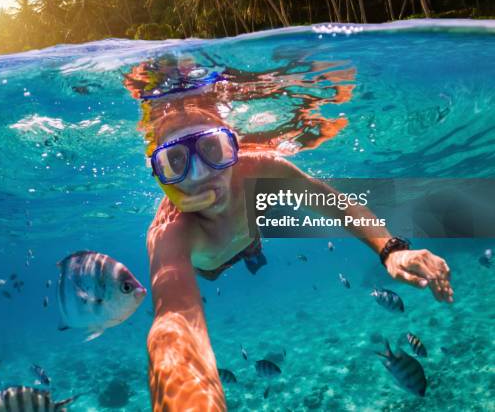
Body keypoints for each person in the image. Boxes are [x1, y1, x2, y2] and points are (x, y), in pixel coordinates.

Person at [145, 104, 454, 411]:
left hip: (247, 237)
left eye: (212, 148)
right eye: (176, 161)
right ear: (161, 175)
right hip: (209, 266)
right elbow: (176, 320)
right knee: (214, 271)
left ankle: (253, 252)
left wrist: (391, 249)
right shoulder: (171, 233)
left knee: (252, 244)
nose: (201, 174)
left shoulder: (261, 169)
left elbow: (333, 202)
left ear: (233, 146)